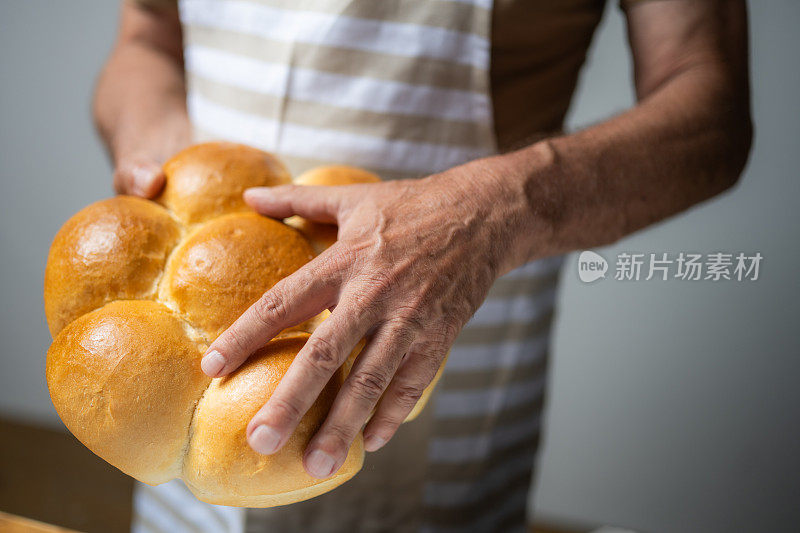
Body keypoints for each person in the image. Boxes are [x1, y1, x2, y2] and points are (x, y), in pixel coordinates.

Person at [94, 0, 752, 531]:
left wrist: (484, 215)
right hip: (180, 359)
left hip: (454, 364)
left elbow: (709, 105)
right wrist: (153, 147)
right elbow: (147, 37)